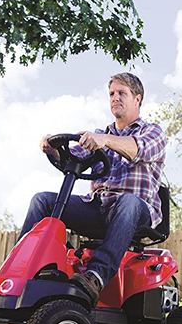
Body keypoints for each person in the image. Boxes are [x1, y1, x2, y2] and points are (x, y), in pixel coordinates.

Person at [19, 72, 167, 306]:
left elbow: (137, 149)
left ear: (137, 99)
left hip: (137, 212)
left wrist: (105, 140)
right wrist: (52, 148)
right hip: (97, 207)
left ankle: (95, 277)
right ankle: (21, 272)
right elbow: (70, 159)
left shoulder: (152, 132)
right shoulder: (98, 137)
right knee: (42, 201)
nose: (115, 98)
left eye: (122, 93)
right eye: (111, 94)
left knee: (127, 202)